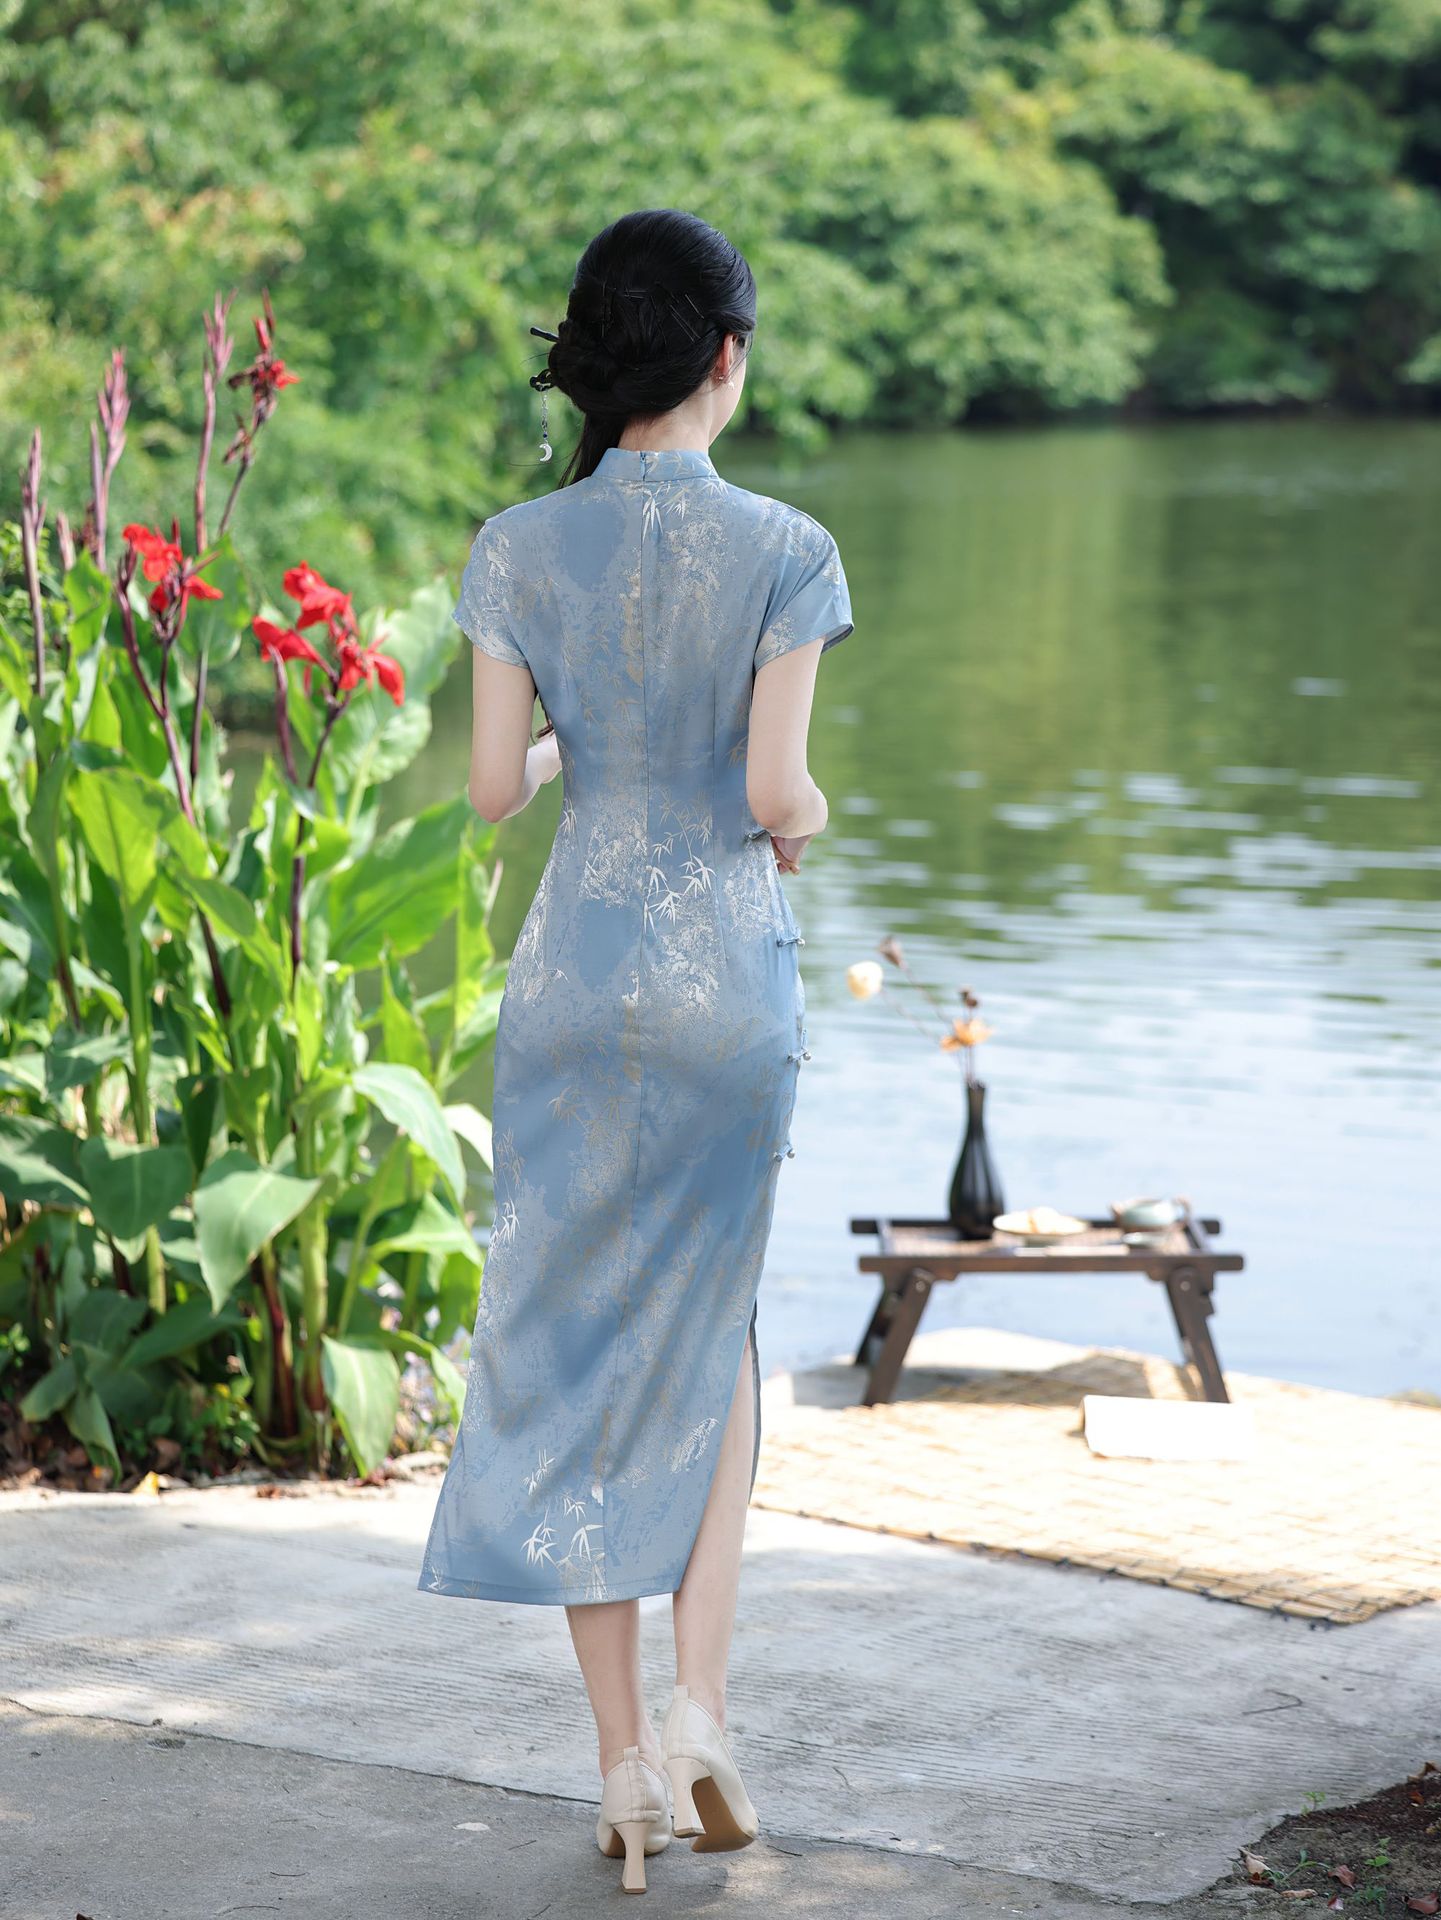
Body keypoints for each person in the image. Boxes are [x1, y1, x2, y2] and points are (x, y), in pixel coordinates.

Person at [417, 207, 854, 1894]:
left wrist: (566, 757)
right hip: (721, 986)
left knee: (582, 1342)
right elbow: (769, 793)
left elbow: (490, 789)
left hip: (573, 984)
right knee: (713, 1335)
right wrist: (806, 817)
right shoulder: (788, 547)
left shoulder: (514, 546)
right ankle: (700, 1714)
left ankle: (616, 1773)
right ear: (726, 356)